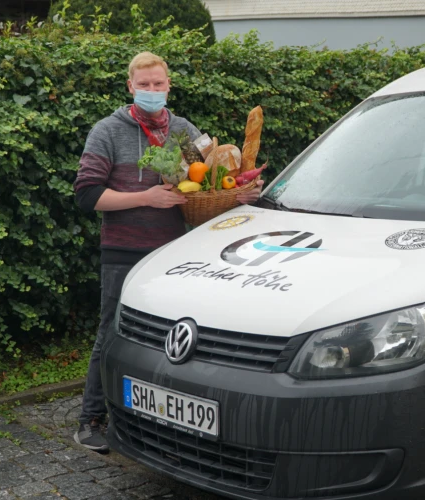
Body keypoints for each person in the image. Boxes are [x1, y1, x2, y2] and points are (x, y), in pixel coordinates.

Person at [72, 52, 262, 453]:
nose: (152, 91)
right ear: (130, 86)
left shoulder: (185, 132)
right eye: (144, 85)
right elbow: (87, 195)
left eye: (158, 84)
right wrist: (147, 197)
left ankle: (159, 414)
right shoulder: (107, 131)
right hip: (124, 250)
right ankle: (91, 417)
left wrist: (240, 192)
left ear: (169, 85)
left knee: (172, 339)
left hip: (175, 253)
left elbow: (213, 180)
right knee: (111, 331)